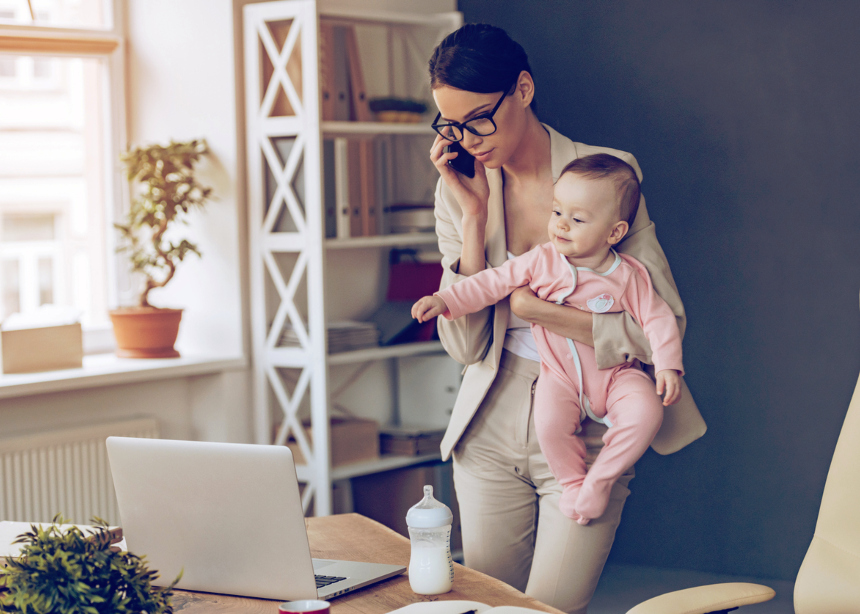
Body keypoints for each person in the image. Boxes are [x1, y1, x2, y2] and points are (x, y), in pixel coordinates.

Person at [427, 23, 707, 614]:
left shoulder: (606, 174)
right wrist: (472, 219)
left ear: (523, 89)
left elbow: (662, 326)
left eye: (479, 118)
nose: (467, 139)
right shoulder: (458, 189)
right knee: (483, 606)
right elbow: (465, 347)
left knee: (548, 609)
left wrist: (540, 312)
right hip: (491, 420)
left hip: (590, 419)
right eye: (450, 125)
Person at [413, 153, 684, 525]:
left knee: (647, 412)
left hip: (618, 375)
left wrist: (668, 366)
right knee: (549, 422)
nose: (560, 226)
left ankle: (600, 479)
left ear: (615, 232)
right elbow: (492, 283)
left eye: (577, 219)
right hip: (559, 377)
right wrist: (445, 299)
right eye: (557, 212)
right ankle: (573, 483)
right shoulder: (541, 260)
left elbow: (658, 318)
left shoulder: (628, 275)